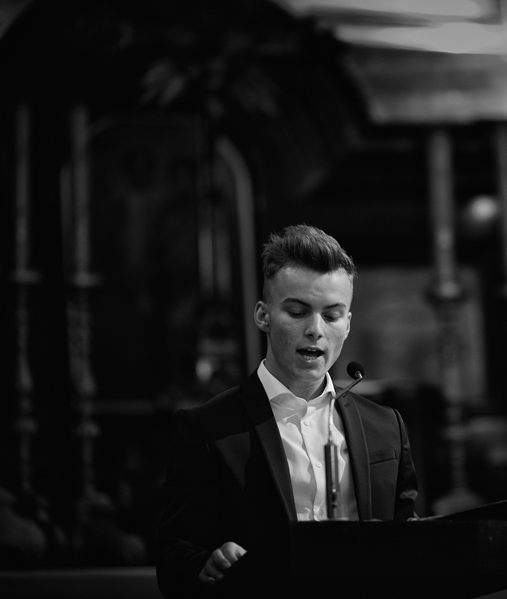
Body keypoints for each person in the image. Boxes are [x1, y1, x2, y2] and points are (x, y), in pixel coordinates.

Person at [156, 224, 419, 598]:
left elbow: (412, 542)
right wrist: (208, 564)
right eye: (297, 312)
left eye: (332, 315)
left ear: (347, 324)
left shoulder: (386, 426)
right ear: (263, 316)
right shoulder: (206, 429)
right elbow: (173, 562)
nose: (315, 329)